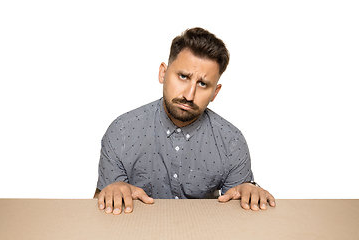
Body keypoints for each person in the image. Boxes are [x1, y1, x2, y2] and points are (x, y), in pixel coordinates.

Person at [94, 27, 276, 215]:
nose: (189, 96)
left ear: (215, 92)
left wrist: (248, 193)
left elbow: (238, 215)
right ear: (163, 73)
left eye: (203, 84)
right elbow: (97, 209)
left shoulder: (231, 142)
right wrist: (111, 192)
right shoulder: (122, 132)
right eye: (183, 77)